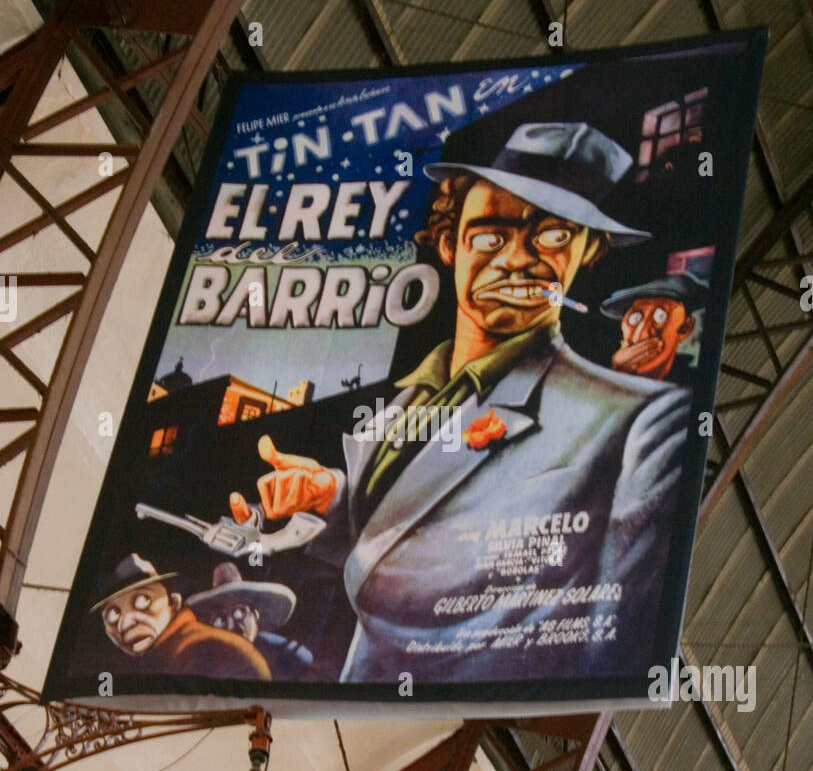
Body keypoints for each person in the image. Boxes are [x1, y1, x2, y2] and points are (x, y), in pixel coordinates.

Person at [228, 119, 692, 683]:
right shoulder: (408, 403)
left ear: (587, 251)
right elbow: (409, 528)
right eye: (490, 237)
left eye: (551, 237)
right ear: (450, 244)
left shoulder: (642, 421)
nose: (517, 260)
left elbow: (613, 648)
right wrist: (329, 495)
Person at [91, 553, 270, 680]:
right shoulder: (161, 660)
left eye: (143, 600)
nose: (126, 623)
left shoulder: (202, 650)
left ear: (174, 603)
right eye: (113, 614)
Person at [188, 562, 315, 680]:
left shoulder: (286, 654)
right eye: (221, 619)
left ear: (255, 615)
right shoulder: (205, 661)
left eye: (239, 612)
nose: (231, 626)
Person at [601, 272, 708, 381]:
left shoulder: (694, 383)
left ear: (685, 329)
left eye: (660, 317)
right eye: (634, 318)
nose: (642, 334)